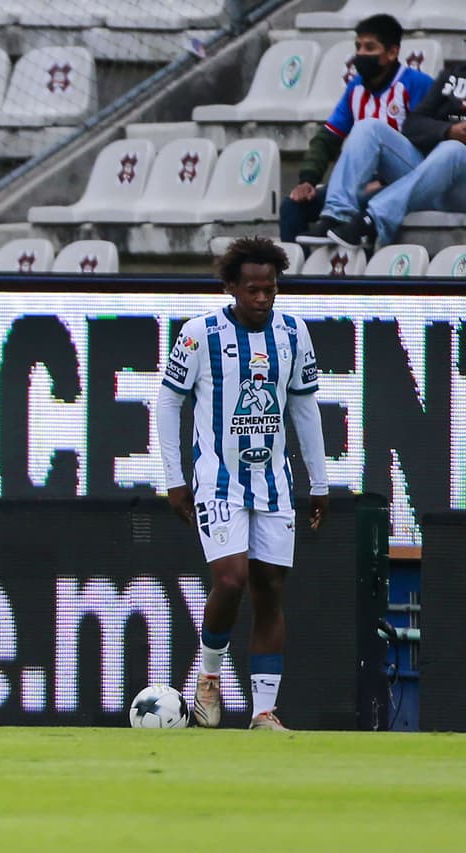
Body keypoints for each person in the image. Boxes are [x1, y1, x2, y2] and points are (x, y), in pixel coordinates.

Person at [155, 236, 329, 731]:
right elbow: (168, 402)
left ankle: (263, 712)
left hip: (273, 480)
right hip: (218, 480)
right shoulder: (199, 333)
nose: (261, 299)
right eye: (251, 289)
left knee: (269, 587)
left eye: (269, 289)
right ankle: (209, 681)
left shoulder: (294, 333)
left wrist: (320, 482)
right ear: (231, 286)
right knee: (230, 578)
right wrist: (173, 478)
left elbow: (304, 407)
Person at [293, 15, 433, 244]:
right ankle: (291, 272)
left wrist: (383, 180)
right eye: (358, 47)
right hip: (366, 182)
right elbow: (327, 138)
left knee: (369, 129)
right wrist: (307, 180)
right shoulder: (356, 87)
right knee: (294, 206)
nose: (361, 54)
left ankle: (344, 232)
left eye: (370, 47)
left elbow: (432, 141)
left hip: (413, 177)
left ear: (392, 53)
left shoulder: (417, 84)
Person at [327, 59, 466, 249]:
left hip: (461, 189)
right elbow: (413, 125)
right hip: (432, 178)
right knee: (369, 128)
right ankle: (336, 215)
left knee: (454, 149)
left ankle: (372, 220)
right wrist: (448, 130)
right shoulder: (452, 75)